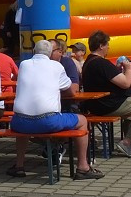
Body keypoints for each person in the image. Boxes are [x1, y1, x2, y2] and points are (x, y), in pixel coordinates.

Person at [9, 40, 102, 180]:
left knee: (24, 123)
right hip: (47, 121)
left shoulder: (23, 64)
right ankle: (83, 167)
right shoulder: (56, 66)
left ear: (34, 51)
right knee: (82, 120)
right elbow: (71, 91)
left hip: (19, 122)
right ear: (50, 54)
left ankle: (19, 166)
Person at [81, 30, 131, 158]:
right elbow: (126, 83)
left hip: (95, 104)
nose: (108, 47)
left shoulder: (88, 62)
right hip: (109, 104)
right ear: (101, 46)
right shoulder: (102, 63)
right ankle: (126, 142)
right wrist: (128, 68)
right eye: (107, 44)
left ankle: (130, 141)